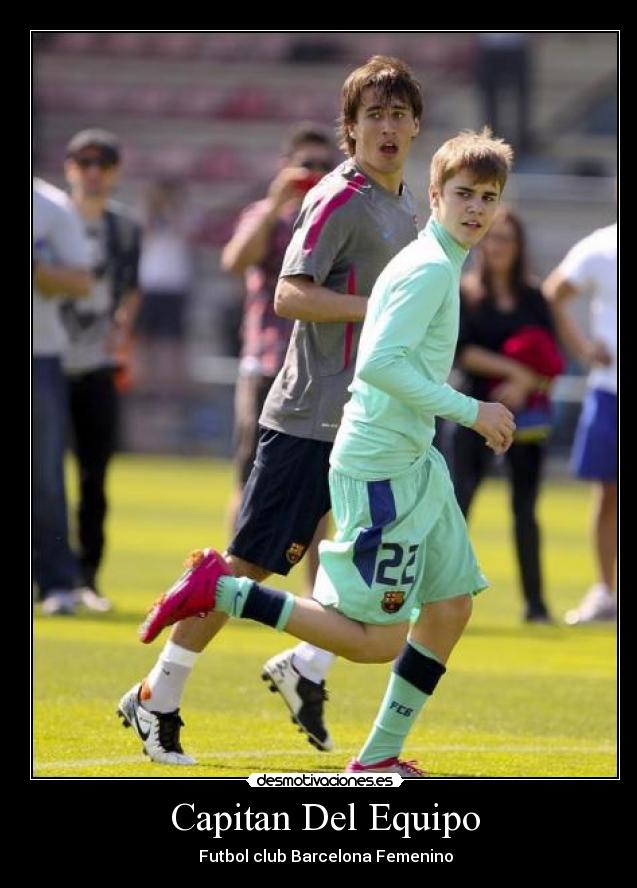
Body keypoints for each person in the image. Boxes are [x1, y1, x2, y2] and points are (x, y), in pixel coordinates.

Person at [121, 128, 515, 775]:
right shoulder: (427, 270)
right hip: (383, 465)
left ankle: (378, 758)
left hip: (415, 459)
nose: (476, 207)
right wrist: (474, 411)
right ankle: (225, 590)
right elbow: (380, 365)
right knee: (375, 641)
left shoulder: (437, 261)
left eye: (488, 197)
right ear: (436, 195)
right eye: (464, 193)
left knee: (451, 606)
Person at [118, 55, 424, 763]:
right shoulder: (338, 197)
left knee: (390, 565)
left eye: (398, 114)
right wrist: (378, 308)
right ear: (350, 128)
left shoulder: (406, 204)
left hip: (373, 419)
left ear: (416, 126)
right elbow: (290, 293)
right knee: (248, 566)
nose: (387, 127)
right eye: (373, 115)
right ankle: (157, 695)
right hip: (312, 416)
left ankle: (308, 668)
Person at [221, 124, 338, 591]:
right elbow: (235, 261)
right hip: (266, 363)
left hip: (319, 368)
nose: (315, 174)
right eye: (306, 165)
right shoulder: (265, 214)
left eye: (324, 166)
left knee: (319, 490)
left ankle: (316, 594)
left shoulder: (337, 222)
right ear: (285, 165)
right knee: (248, 477)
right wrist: (276, 204)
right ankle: (231, 584)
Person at [451, 207, 564, 623]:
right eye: (492, 238)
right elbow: (462, 352)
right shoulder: (465, 293)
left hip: (524, 417)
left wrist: (525, 384)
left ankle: (536, 605)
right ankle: (440, 598)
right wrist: (515, 371)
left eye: (506, 239)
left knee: (526, 510)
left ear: (519, 247)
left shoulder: (534, 297)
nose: (497, 246)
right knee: (458, 505)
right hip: (471, 411)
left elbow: (551, 357)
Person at [61, 129, 141, 609]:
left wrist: (122, 338)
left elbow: (130, 289)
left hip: (96, 363)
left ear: (114, 172)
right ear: (69, 167)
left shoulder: (124, 228)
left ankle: (86, 577)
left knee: (95, 477)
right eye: (84, 163)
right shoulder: (51, 219)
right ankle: (51, 575)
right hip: (47, 361)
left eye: (103, 164)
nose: (93, 173)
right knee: (43, 475)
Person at [542, 223, 617, 624]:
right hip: (609, 389)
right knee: (607, 491)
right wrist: (584, 349)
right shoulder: (603, 245)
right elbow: (554, 292)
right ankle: (606, 591)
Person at [33, 178, 92, 615]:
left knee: (44, 477)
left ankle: (56, 582)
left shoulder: (50, 207)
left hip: (39, 355)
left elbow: (80, 281)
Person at [136, 177, 194, 395]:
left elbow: (186, 233)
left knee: (172, 340)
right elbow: (142, 233)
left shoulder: (183, 216)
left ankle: (170, 387)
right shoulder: (145, 216)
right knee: (145, 338)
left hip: (174, 286)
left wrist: (173, 210)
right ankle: (144, 385)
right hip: (148, 285)